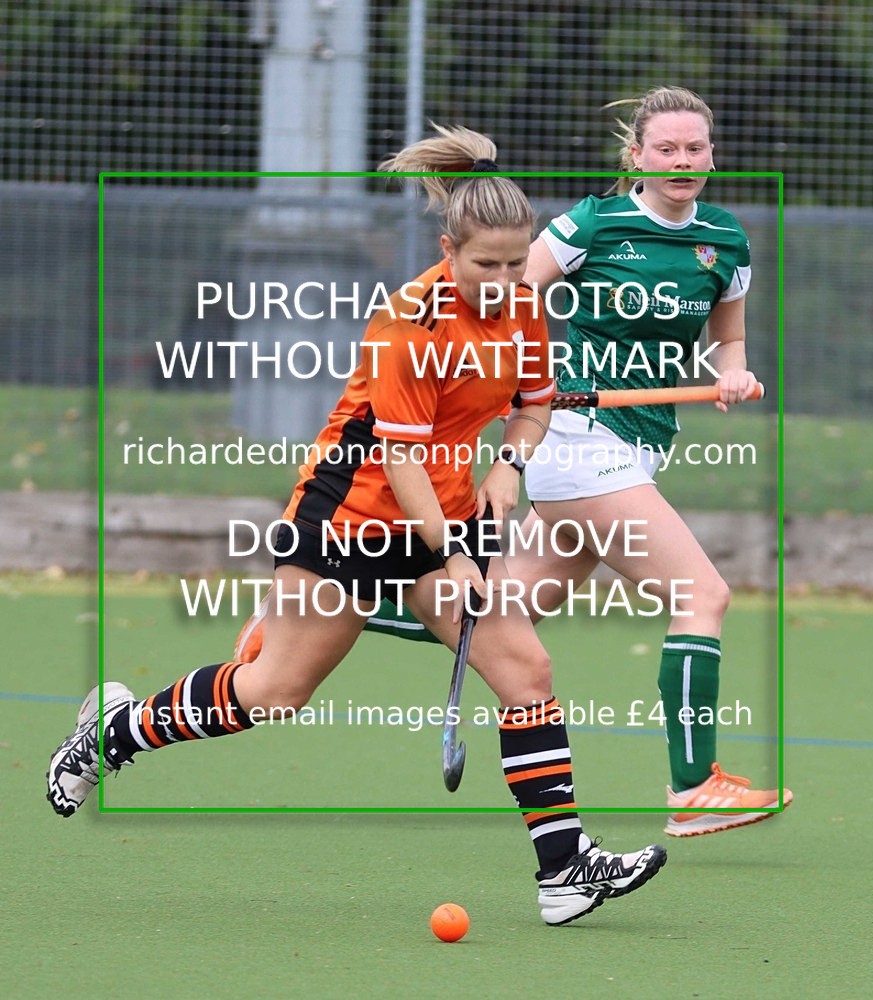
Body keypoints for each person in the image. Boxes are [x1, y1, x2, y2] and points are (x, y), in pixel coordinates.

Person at [47, 125, 666, 927]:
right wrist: (451, 554)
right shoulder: (412, 322)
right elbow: (399, 459)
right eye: (487, 265)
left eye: (519, 263)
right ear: (449, 248)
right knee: (274, 693)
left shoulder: (524, 310)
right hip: (350, 516)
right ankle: (114, 733)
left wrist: (509, 467)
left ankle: (565, 872)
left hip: (444, 509)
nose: (506, 280)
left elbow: (535, 403)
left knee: (528, 673)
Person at [237, 88, 792, 839]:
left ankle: (322, 611)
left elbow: (728, 339)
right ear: (637, 155)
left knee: (502, 618)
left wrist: (734, 370)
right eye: (667, 148)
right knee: (703, 596)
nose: (683, 161)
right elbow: (502, 295)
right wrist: (522, 395)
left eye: (696, 148)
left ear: (712, 155)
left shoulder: (723, 239)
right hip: (581, 440)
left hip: (639, 443)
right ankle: (693, 787)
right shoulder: (592, 225)